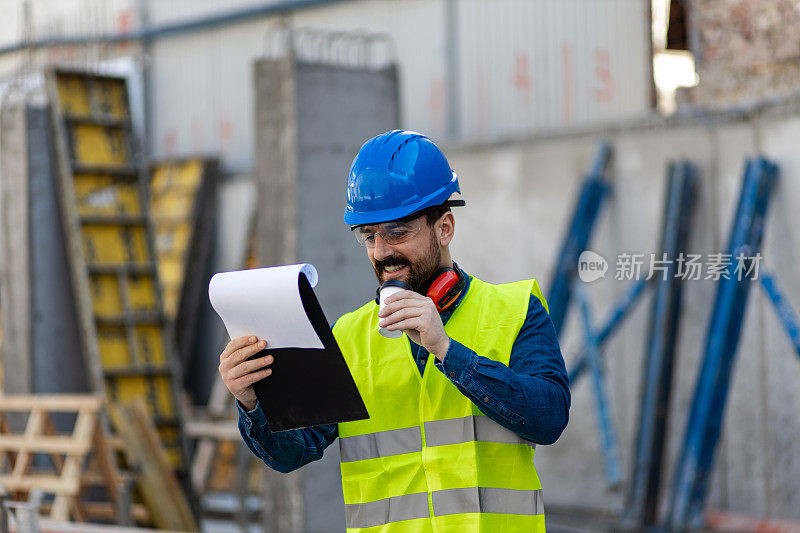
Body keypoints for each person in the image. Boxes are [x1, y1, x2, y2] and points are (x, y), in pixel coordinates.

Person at [219, 130, 570, 532]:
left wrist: (447, 351)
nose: (381, 251)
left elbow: (550, 419)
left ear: (445, 228)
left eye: (397, 232)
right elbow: (291, 454)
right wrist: (251, 403)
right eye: (368, 235)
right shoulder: (348, 337)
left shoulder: (515, 308)